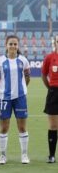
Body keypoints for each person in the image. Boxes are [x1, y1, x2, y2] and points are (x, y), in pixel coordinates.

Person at [0, 35, 30, 164]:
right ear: (6, 45)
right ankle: (2, 155)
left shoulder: (23, 60)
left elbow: (27, 77)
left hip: (20, 97)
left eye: (15, 44)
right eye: (10, 44)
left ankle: (24, 155)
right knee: (3, 128)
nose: (13, 46)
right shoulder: (0, 61)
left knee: (22, 127)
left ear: (18, 46)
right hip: (4, 98)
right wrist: (4, 89)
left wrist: (22, 89)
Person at [41, 35, 58, 163]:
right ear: (55, 42)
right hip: (53, 93)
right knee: (53, 125)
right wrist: (51, 88)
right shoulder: (49, 58)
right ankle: (51, 155)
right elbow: (43, 74)